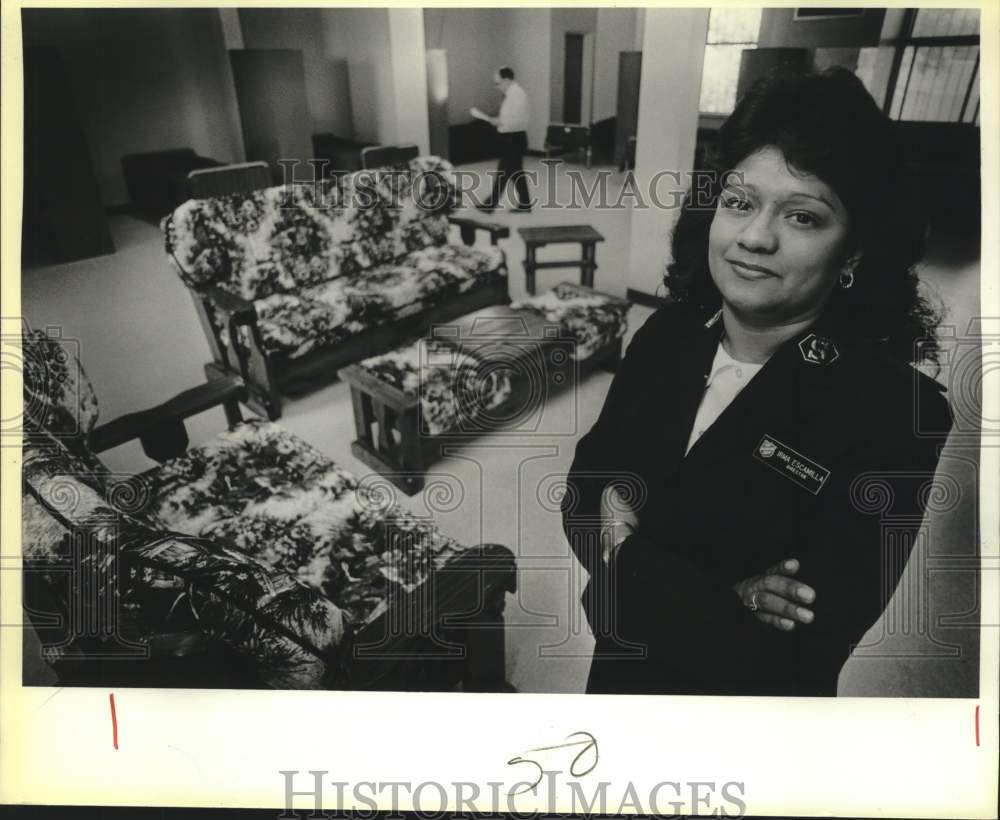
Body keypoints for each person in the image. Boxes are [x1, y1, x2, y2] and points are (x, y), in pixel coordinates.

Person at [562, 67, 953, 697]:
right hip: (616, 684)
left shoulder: (898, 413)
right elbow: (584, 486)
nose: (754, 237)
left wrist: (623, 551)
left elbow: (799, 650)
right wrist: (727, 595)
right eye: (740, 203)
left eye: (802, 217)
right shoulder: (667, 334)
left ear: (854, 249)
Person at [471, 66, 532, 212]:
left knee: (503, 173)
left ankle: (490, 205)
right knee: (516, 172)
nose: (496, 87)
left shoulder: (516, 95)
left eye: (497, 83)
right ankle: (525, 203)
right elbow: (510, 118)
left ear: (507, 80)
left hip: (513, 139)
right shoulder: (512, 94)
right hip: (513, 138)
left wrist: (497, 121)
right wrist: (499, 120)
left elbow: (515, 121)